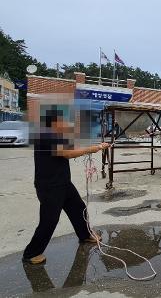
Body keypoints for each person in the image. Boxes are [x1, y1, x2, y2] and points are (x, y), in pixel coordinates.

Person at [23, 108, 110, 264]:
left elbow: (71, 147)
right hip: (50, 186)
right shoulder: (46, 135)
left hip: (63, 182)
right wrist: (94, 149)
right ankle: (31, 253)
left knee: (78, 208)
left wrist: (91, 143)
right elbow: (67, 154)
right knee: (49, 220)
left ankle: (85, 235)